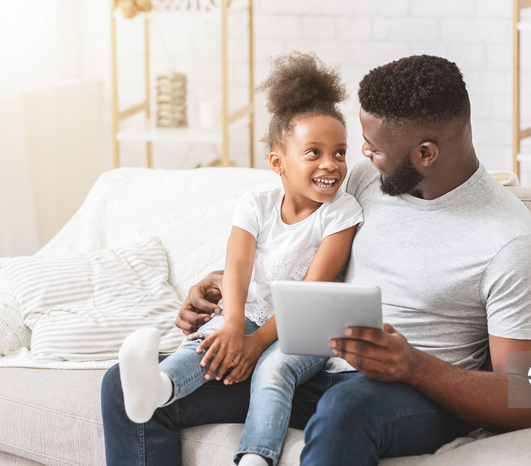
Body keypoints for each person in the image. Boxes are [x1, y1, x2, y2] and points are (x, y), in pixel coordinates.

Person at [102, 54, 531, 465]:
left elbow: (529, 395)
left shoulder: (511, 242)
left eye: (375, 148)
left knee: (345, 409)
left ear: (425, 154)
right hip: (308, 363)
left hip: (409, 393)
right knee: (124, 387)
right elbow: (291, 246)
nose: (360, 156)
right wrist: (223, 287)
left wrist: (412, 365)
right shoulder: (365, 183)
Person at [113, 51, 363, 466]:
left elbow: (310, 292)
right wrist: (230, 325)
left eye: (339, 152)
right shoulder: (256, 204)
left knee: (272, 369)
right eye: (314, 152)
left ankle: (255, 457)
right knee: (207, 344)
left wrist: (255, 342)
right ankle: (158, 389)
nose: (331, 164)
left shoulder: (342, 212)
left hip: (305, 327)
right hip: (248, 312)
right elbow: (238, 267)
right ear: (278, 162)